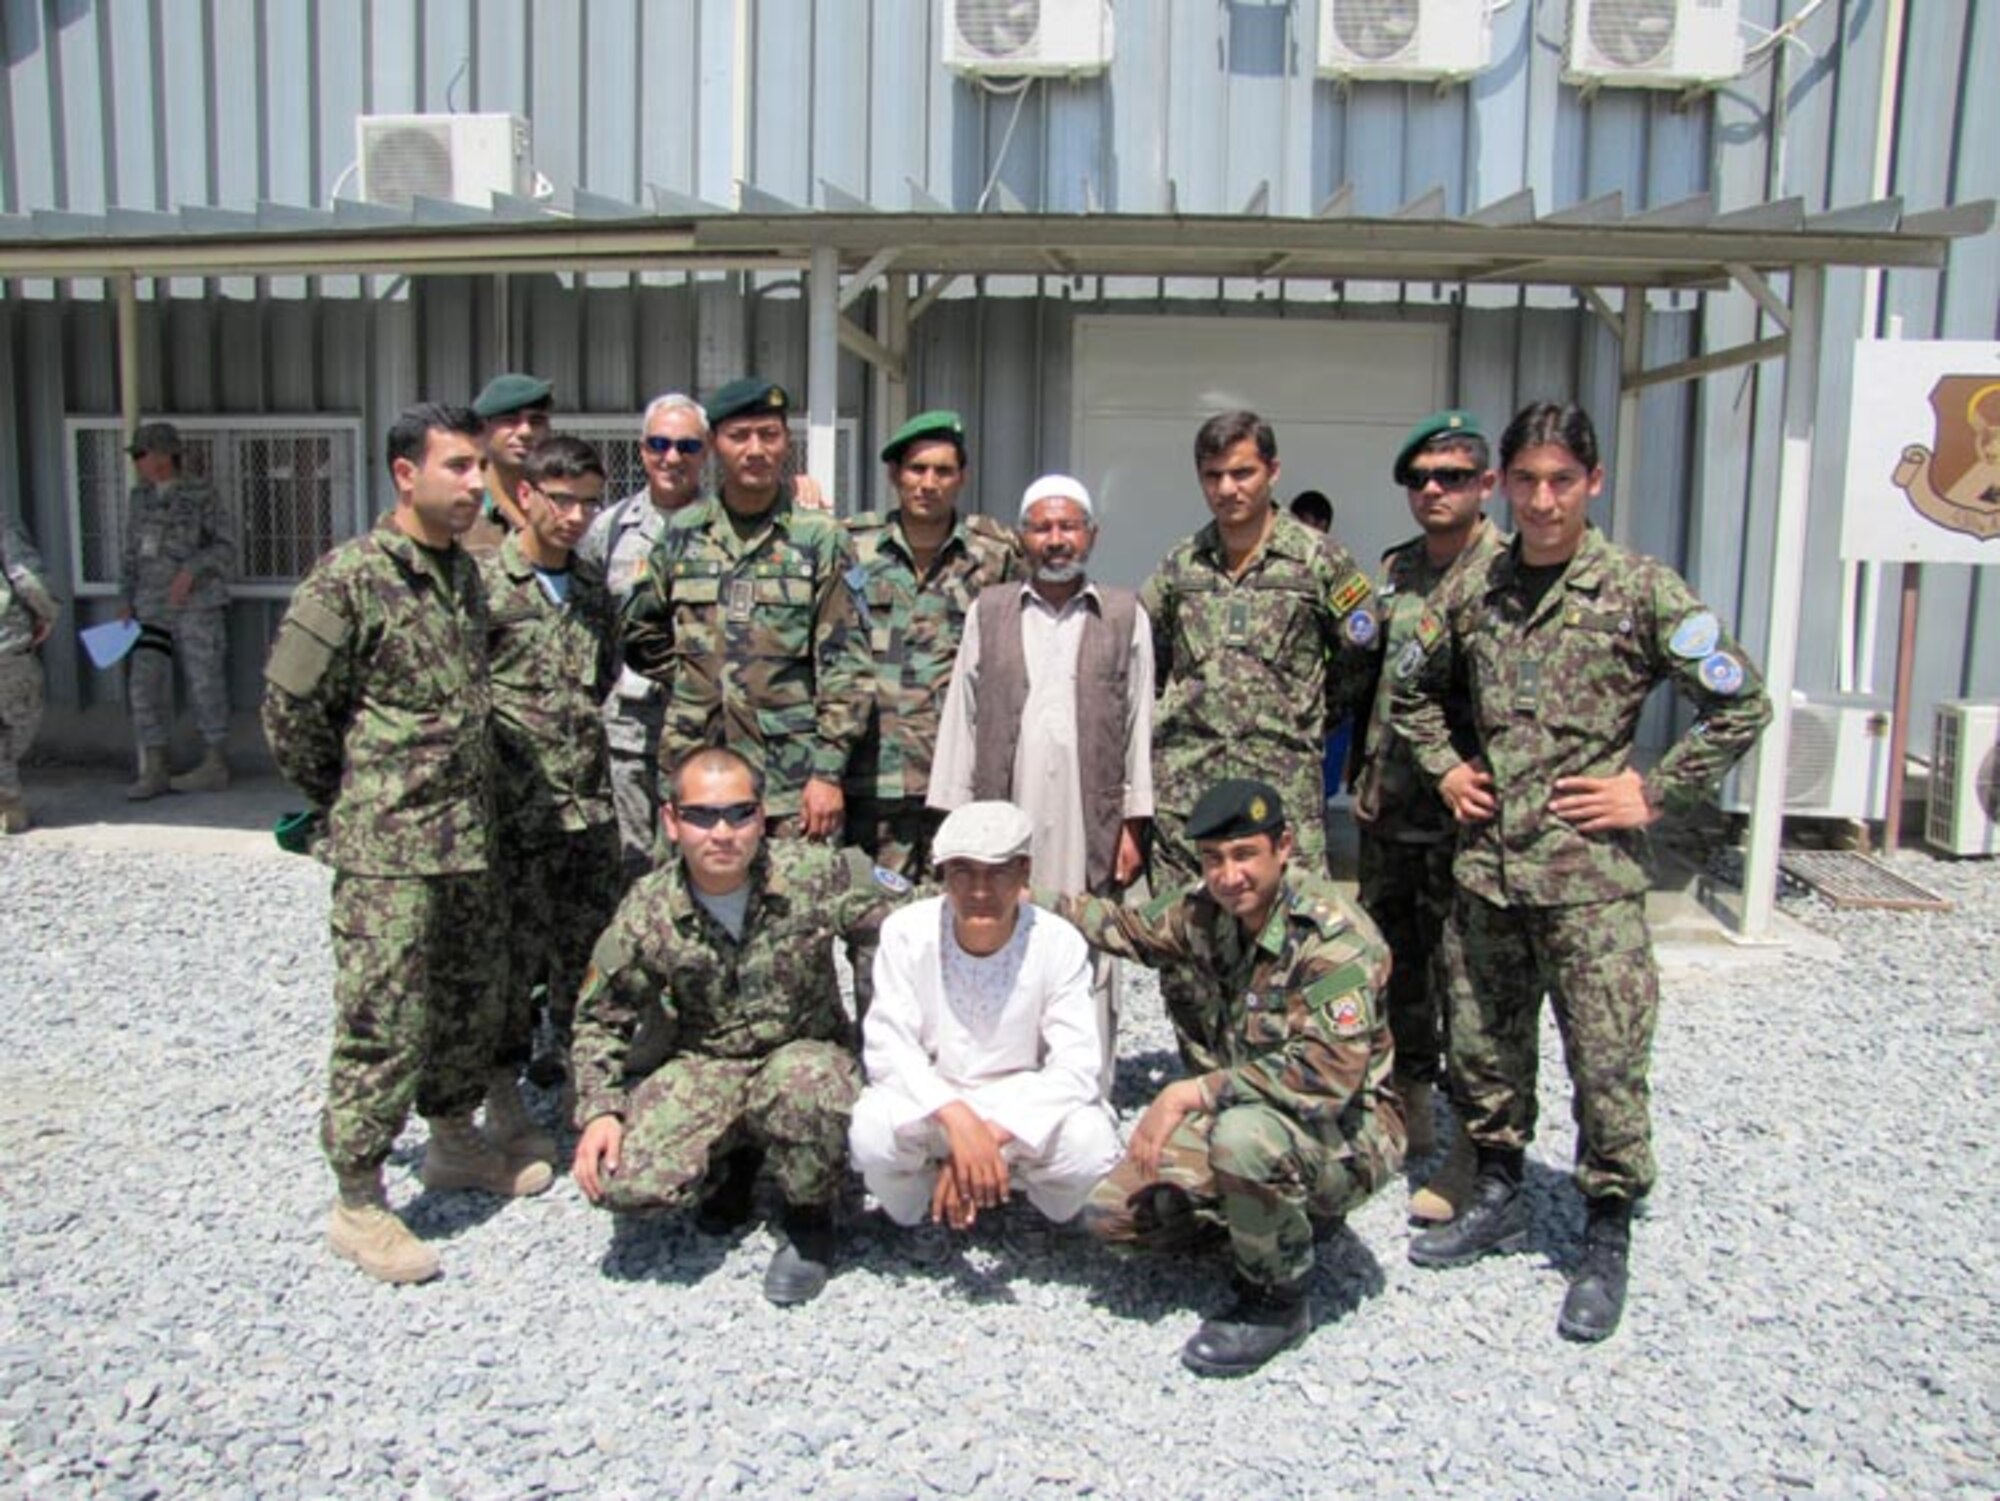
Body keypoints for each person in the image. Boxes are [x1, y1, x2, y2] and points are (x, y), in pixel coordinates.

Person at [1393, 400, 1771, 1343]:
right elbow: (1410, 688)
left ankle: (1605, 1234)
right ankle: (1502, 1188)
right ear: (1503, 486)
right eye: (1526, 480)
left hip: (1591, 882)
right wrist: (1443, 766)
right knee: (1484, 1050)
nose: (1544, 499)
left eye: (1562, 480)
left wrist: (1654, 789)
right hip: (1489, 876)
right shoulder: (1477, 591)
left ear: (1593, 482)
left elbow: (1741, 703)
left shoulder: (1639, 590)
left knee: (1606, 1063)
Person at [263, 403, 551, 1288]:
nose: (476, 483)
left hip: (467, 840)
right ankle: (358, 1195)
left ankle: (455, 1140)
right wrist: (349, 800)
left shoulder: (462, 575)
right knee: (382, 1019)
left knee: (466, 1001)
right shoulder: (349, 578)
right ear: (404, 473)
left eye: (478, 468)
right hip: (389, 849)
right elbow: (289, 712)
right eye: (458, 467)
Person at [1044, 778, 1401, 1378]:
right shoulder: (1205, 912)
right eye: (1213, 859)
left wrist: (1190, 1091)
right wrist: (1019, 896)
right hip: (1255, 1111)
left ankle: (1277, 1301)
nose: (1228, 875)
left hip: (1349, 1131)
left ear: (1283, 846)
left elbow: (1327, 1077)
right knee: (1112, 1214)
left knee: (1241, 1139)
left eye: (1244, 856)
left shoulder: (1334, 941)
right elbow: (1125, 928)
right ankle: (1269, 1219)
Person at [569, 746, 910, 1305]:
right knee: (624, 1181)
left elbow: (923, 916)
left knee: (805, 1090)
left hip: (805, 1053)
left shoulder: (816, 872)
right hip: (709, 1062)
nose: (722, 832)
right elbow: (600, 1017)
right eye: (702, 815)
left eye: (740, 813)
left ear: (761, 815)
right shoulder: (648, 907)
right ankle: (735, 1160)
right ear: (672, 822)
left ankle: (808, 1217)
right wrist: (601, 1108)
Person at [929, 473, 1153, 1094]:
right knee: (1003, 933)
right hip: (1007, 810)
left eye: (1069, 526)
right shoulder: (991, 610)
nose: (1056, 540)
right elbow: (962, 718)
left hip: (1092, 816)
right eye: (1042, 527)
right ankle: (1005, 1080)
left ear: (1092, 534)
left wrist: (1135, 823)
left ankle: (1087, 1091)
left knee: (1089, 943)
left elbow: (1140, 721)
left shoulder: (1124, 613)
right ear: (1022, 536)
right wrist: (957, 825)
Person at [1349, 409, 1506, 1221]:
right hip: (1390, 810)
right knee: (1396, 963)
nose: (1434, 489)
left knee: (1473, 982)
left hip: (1470, 821)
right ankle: (1409, 1101)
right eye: (1420, 478)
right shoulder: (1396, 569)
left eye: (1451, 475)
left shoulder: (1510, 574)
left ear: (1487, 484)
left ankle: (1477, 1145)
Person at [849, 800, 1121, 1233]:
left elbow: (1077, 1065)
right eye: (963, 872)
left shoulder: (1058, 942)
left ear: (1025, 872)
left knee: (1090, 1143)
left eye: (998, 872)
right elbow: (889, 1046)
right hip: (936, 1103)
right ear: (943, 876)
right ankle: (924, 1200)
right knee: (871, 1132)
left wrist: (987, 1136)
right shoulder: (906, 932)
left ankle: (1001, 1186)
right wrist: (957, 1122)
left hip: (1017, 1104)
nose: (980, 890)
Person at [621, 377, 873, 841]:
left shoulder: (820, 538)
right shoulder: (683, 533)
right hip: (695, 766)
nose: (755, 449)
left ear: (786, 443)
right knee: (688, 903)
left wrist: (828, 772)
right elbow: (638, 630)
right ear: (715, 445)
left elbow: (847, 665)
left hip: (789, 780)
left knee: (794, 906)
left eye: (769, 434)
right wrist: (695, 680)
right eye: (739, 436)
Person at [478, 434, 623, 1145]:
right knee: (510, 961)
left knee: (586, 956)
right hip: (515, 814)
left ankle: (577, 1083)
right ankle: (500, 1093)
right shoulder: (484, 588)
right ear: (526, 494)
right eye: (561, 500)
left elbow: (600, 682)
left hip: (588, 813)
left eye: (589, 502)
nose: (575, 516)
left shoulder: (594, 591)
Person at [843, 410, 1020, 880]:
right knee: (877, 921)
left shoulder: (995, 555)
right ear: (894, 475)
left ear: (962, 477)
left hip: (957, 777)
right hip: (872, 777)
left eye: (943, 470)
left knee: (958, 916)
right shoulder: (852, 547)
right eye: (916, 469)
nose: (928, 483)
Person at [577, 392, 710, 881]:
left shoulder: (723, 529)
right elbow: (585, 619)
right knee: (632, 862)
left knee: (698, 859)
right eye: (659, 443)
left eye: (686, 446)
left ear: (706, 452)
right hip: (629, 730)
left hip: (701, 725)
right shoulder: (609, 529)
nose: (671, 457)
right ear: (641, 450)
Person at [120, 421, 235, 799]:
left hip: (196, 607)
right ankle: (154, 765)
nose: (138, 462)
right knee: (144, 683)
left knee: (205, 681)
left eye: (142, 454)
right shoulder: (140, 498)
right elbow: (131, 554)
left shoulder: (201, 495)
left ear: (163, 456)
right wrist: (126, 598)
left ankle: (214, 762)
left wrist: (191, 570)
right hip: (151, 610)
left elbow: (226, 546)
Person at [0, 519, 59, 834]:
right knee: (21, 717)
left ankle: (7, 799)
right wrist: (48, 613)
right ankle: (8, 801)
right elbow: (28, 579)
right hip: (8, 645)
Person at [464, 372, 554, 555]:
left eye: (536, 421)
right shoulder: (462, 507)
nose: (525, 432)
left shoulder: (563, 506)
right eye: (510, 420)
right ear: (482, 429)